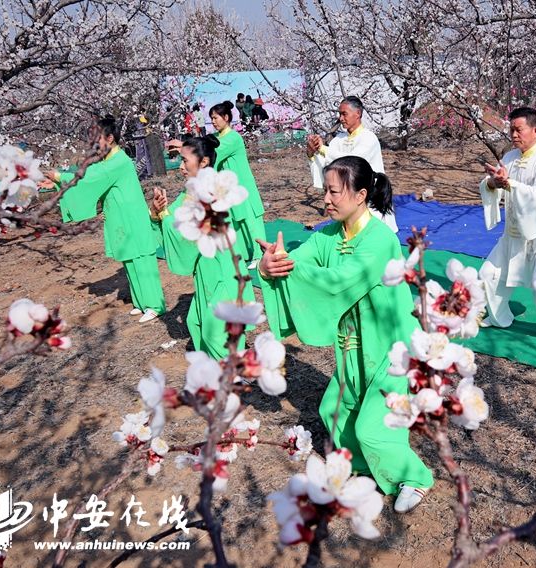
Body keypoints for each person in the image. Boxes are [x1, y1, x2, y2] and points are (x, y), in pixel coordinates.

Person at [258, 156, 433, 513]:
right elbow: (301, 258)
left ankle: (415, 477)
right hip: (353, 347)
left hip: (390, 348)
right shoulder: (330, 235)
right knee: (334, 411)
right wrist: (273, 264)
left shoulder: (380, 240)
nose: (326, 199)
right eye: (325, 190)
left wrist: (288, 272)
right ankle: (365, 467)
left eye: (334, 191)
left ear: (361, 195)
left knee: (372, 426)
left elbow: (340, 282)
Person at [45, 116, 165, 322]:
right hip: (122, 218)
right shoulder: (109, 162)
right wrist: (59, 184)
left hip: (133, 218)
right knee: (129, 259)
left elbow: (91, 177)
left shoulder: (118, 161)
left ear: (109, 138)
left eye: (97, 140)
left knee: (142, 259)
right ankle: (141, 302)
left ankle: (155, 304)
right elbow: (94, 179)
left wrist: (60, 177)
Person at [150, 135, 255, 358]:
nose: (180, 167)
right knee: (196, 322)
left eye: (185, 161)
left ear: (204, 162)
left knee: (215, 332)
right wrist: (157, 212)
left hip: (221, 270)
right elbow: (172, 220)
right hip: (206, 271)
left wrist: (165, 215)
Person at [477, 107, 536, 344]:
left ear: (535, 130)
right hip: (514, 234)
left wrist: (509, 184)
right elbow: (494, 183)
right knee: (487, 274)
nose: (514, 134)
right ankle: (500, 317)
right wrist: (492, 183)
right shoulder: (509, 157)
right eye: (511, 130)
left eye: (519, 129)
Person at [168, 101, 267, 267]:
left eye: (216, 117)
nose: (213, 121)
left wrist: (184, 147)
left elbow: (212, 153)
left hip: (243, 186)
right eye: (211, 118)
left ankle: (260, 254)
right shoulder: (218, 139)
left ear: (226, 117)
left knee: (251, 222)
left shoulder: (233, 138)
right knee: (236, 220)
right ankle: (243, 254)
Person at [306, 96, 397, 232]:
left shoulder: (369, 138)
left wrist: (323, 149)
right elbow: (329, 166)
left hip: (368, 197)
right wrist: (312, 153)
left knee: (372, 233)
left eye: (344, 114)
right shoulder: (338, 139)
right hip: (348, 198)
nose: (341, 118)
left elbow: (354, 162)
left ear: (358, 114)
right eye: (340, 114)